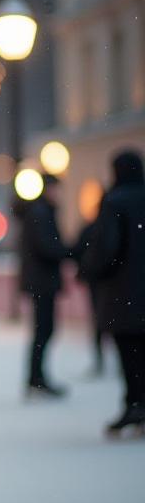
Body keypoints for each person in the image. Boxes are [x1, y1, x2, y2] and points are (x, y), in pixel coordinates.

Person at [81, 149, 145, 437]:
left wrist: (90, 270)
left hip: (124, 292)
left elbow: (107, 249)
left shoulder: (115, 202)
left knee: (129, 353)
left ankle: (134, 405)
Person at [18, 174, 70, 398]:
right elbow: (47, 247)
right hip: (42, 281)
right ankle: (36, 378)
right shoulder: (41, 213)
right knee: (44, 330)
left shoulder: (38, 212)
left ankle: (36, 377)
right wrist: (71, 251)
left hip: (39, 280)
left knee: (43, 330)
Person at [73, 209, 107, 377]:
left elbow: (77, 251)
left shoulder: (91, 229)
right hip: (109, 282)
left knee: (99, 319)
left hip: (97, 281)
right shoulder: (103, 228)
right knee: (112, 321)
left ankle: (100, 358)